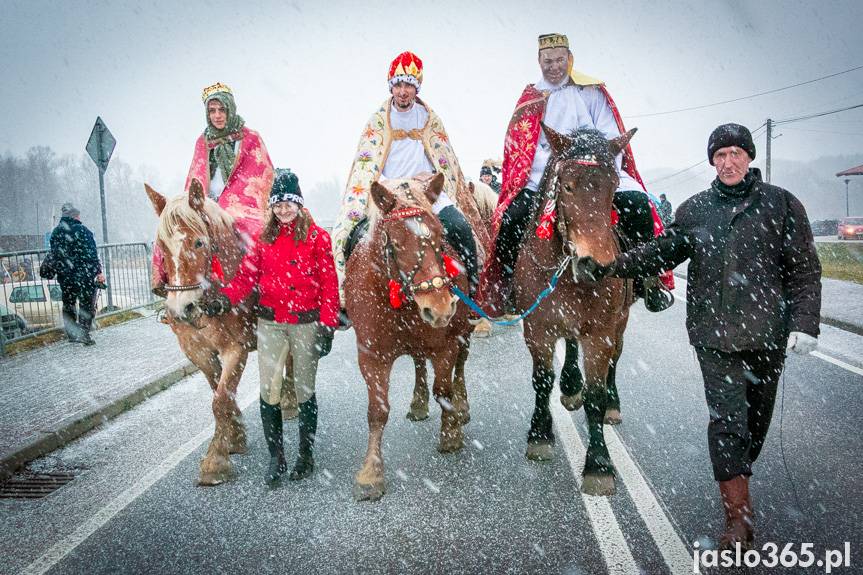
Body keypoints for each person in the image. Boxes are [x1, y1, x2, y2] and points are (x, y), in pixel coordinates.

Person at [577, 123, 822, 550]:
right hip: (715, 338)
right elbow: (661, 251)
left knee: (754, 426)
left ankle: (739, 478)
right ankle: (739, 521)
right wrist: (611, 266)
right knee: (728, 424)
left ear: (749, 158)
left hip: (767, 336)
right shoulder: (696, 210)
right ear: (712, 161)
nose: (728, 162)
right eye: (720, 155)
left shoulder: (781, 205)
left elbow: (804, 269)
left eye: (736, 154)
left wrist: (804, 322)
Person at [479, 33, 672, 317]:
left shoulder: (592, 92)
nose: (554, 66)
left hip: (595, 172)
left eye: (559, 60)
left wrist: (593, 164)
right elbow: (524, 149)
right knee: (513, 217)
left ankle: (648, 281)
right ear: (539, 61)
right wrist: (559, 165)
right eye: (548, 61)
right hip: (545, 175)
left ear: (569, 58)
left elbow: (610, 135)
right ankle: (507, 285)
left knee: (640, 206)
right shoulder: (531, 99)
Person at [205, 169, 339, 485]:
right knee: (269, 390)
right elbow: (246, 278)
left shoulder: (319, 238)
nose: (283, 209)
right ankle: (276, 458)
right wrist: (225, 298)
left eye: (288, 203)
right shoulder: (264, 240)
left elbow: (329, 284)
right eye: (278, 204)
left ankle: (305, 455)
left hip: (306, 324)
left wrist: (328, 324)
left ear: (299, 203)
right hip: (271, 324)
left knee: (305, 390)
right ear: (273, 207)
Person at [331, 51, 489, 313]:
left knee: (460, 228)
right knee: (352, 234)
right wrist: (384, 184)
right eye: (398, 85)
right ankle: (349, 300)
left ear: (417, 88)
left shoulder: (429, 119)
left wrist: (431, 177)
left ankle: (473, 293)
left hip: (426, 193)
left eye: (409, 86)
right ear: (391, 85)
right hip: (390, 193)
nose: (403, 91)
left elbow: (443, 160)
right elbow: (367, 166)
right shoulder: (378, 122)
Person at [151, 82, 274, 296]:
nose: (217, 115)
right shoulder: (203, 141)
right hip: (206, 202)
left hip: (242, 203)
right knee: (170, 228)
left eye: (221, 110)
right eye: (212, 111)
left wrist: (229, 201)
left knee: (252, 233)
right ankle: (166, 284)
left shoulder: (250, 138)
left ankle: (262, 290)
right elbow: (195, 176)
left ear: (230, 109)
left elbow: (260, 175)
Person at [49, 203, 105, 345]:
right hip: (84, 276)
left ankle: (72, 334)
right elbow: (92, 254)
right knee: (86, 305)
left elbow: (55, 255)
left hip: (65, 277)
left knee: (68, 305)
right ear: (75, 216)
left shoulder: (56, 232)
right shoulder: (83, 230)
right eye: (79, 215)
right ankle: (84, 334)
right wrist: (98, 272)